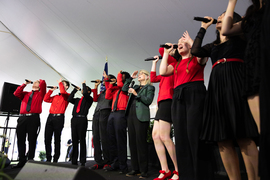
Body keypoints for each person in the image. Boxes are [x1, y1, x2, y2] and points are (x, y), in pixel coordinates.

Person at [191, 12, 260, 180]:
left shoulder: (242, 38)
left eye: (225, 15)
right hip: (217, 85)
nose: (220, 17)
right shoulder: (213, 46)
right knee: (222, 139)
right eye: (219, 16)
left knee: (243, 134)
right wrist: (203, 28)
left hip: (236, 81)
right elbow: (195, 50)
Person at [159, 31, 211, 180]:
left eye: (183, 42)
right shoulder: (176, 64)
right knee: (181, 136)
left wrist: (190, 40)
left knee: (194, 133)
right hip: (179, 96)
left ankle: (200, 175)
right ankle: (186, 175)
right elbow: (162, 71)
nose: (180, 44)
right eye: (178, 43)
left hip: (195, 94)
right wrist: (166, 54)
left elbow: (201, 53)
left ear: (190, 46)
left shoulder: (197, 59)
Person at [150, 49, 179, 180]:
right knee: (155, 136)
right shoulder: (165, 67)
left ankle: (178, 170)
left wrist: (166, 52)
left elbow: (163, 51)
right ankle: (165, 169)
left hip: (168, 100)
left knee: (165, 136)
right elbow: (153, 78)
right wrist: (155, 62)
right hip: (161, 102)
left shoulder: (174, 64)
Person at [122, 70, 155, 179]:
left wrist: (136, 95)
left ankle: (144, 171)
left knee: (141, 143)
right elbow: (124, 89)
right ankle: (135, 169)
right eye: (139, 74)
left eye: (141, 74)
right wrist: (130, 78)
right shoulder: (135, 86)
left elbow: (148, 100)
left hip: (141, 117)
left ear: (146, 77)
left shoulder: (150, 88)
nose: (139, 75)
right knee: (132, 143)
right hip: (130, 116)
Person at [13, 79, 46, 168]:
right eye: (34, 82)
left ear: (39, 86)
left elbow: (43, 86)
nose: (34, 83)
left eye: (37, 83)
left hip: (33, 118)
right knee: (20, 139)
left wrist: (41, 81)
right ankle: (21, 160)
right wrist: (24, 84)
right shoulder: (26, 94)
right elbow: (16, 93)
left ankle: (30, 159)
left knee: (31, 139)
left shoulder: (40, 94)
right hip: (23, 117)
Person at [104, 71, 130, 174]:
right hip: (112, 113)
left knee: (120, 140)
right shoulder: (116, 89)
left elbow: (120, 84)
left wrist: (118, 75)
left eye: (122, 76)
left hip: (121, 113)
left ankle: (123, 166)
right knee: (112, 140)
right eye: (120, 76)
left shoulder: (126, 86)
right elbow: (107, 96)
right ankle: (115, 163)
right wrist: (109, 83)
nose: (120, 77)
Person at [90, 73, 115, 170]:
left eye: (107, 80)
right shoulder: (102, 92)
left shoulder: (112, 89)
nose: (105, 81)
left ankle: (107, 161)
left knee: (104, 137)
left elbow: (109, 88)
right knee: (96, 137)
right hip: (97, 113)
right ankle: (98, 161)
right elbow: (95, 99)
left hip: (105, 112)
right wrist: (95, 87)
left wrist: (105, 78)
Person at [43, 78, 70, 163]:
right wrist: (51, 90)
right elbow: (46, 99)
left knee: (57, 139)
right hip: (50, 117)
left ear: (67, 87)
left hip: (59, 118)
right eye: (61, 84)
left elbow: (63, 92)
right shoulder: (56, 96)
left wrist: (59, 83)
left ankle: (55, 158)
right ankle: (48, 158)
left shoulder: (67, 95)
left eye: (63, 84)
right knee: (47, 138)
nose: (61, 84)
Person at [68, 80, 93, 166]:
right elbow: (69, 99)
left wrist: (83, 84)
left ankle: (82, 160)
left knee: (82, 140)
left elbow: (85, 94)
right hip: (74, 119)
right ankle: (74, 160)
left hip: (82, 120)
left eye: (85, 89)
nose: (83, 90)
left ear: (88, 91)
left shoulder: (89, 99)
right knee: (74, 140)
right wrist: (75, 90)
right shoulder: (78, 100)